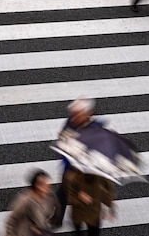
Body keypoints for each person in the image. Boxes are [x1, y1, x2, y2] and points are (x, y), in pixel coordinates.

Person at [55, 97, 105, 227]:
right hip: (69, 167)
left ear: (88, 113)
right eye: (73, 113)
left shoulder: (96, 130)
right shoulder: (70, 122)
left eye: (78, 113)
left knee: (83, 195)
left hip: (86, 173)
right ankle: (58, 219)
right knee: (64, 192)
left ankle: (84, 219)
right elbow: (62, 138)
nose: (73, 116)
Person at [5, 169, 59, 236]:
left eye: (47, 182)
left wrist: (54, 220)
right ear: (37, 187)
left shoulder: (50, 196)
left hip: (41, 230)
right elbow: (11, 221)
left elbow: (57, 207)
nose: (48, 186)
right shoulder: (24, 202)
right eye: (43, 184)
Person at [64, 169, 115, 236]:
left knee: (93, 231)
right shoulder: (74, 175)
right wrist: (79, 196)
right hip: (79, 211)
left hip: (94, 211)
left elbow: (109, 189)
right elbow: (68, 191)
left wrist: (109, 206)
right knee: (78, 229)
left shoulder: (100, 174)